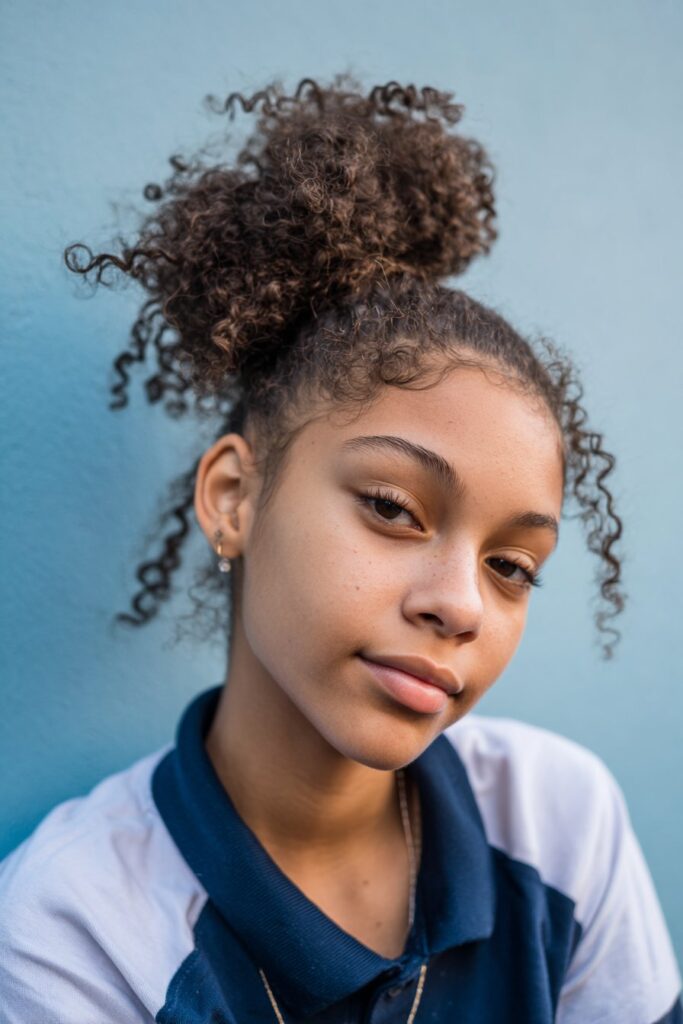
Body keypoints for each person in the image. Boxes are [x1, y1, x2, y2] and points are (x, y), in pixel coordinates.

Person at [0, 74, 680, 1024]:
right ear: (233, 498)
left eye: (511, 566)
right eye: (394, 508)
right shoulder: (75, 927)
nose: (461, 606)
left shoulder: (558, 823)